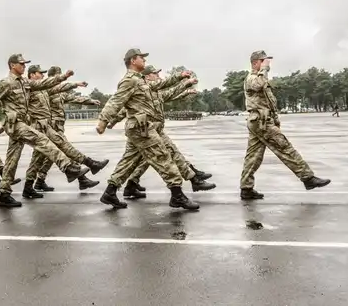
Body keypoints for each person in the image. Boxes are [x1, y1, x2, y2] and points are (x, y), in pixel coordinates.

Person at [0, 54, 92, 208]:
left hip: (22, 123)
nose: (24, 66)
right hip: (15, 124)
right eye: (21, 64)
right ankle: (68, 167)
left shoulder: (25, 82)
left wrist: (63, 76)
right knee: (42, 140)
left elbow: (45, 83)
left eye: (25, 64)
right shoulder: (5, 83)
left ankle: (4, 194)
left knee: (12, 160)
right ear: (12, 65)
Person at [96, 49, 199, 210]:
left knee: (128, 162)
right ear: (132, 61)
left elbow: (161, 85)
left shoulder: (141, 80)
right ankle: (177, 195)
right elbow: (116, 100)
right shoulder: (129, 80)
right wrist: (103, 120)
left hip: (141, 127)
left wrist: (180, 77)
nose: (144, 60)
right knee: (163, 157)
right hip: (141, 127)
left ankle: (110, 192)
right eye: (141, 58)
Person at [106, 65, 215, 200]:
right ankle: (188, 183)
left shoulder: (154, 92)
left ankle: (122, 187)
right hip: (144, 131)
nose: (158, 75)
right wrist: (111, 121)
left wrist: (186, 87)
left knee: (136, 161)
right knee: (158, 157)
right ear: (147, 77)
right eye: (155, 73)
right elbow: (124, 109)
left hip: (152, 130)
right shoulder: (142, 90)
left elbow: (171, 93)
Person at [240, 51, 330, 200]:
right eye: (262, 60)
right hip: (261, 122)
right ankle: (307, 178)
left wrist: (275, 117)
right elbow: (259, 85)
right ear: (255, 62)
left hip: (261, 121)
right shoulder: (252, 78)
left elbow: (269, 101)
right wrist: (265, 69)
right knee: (285, 148)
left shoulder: (260, 77)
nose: (266, 63)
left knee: (253, 156)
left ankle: (246, 188)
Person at [23, 64, 109, 198]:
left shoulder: (45, 90)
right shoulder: (34, 88)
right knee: (62, 149)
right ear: (32, 74)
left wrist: (89, 100)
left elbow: (71, 97)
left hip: (49, 127)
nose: (42, 75)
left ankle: (36, 183)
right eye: (40, 73)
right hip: (45, 127)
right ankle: (87, 169)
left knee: (45, 156)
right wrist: (72, 82)